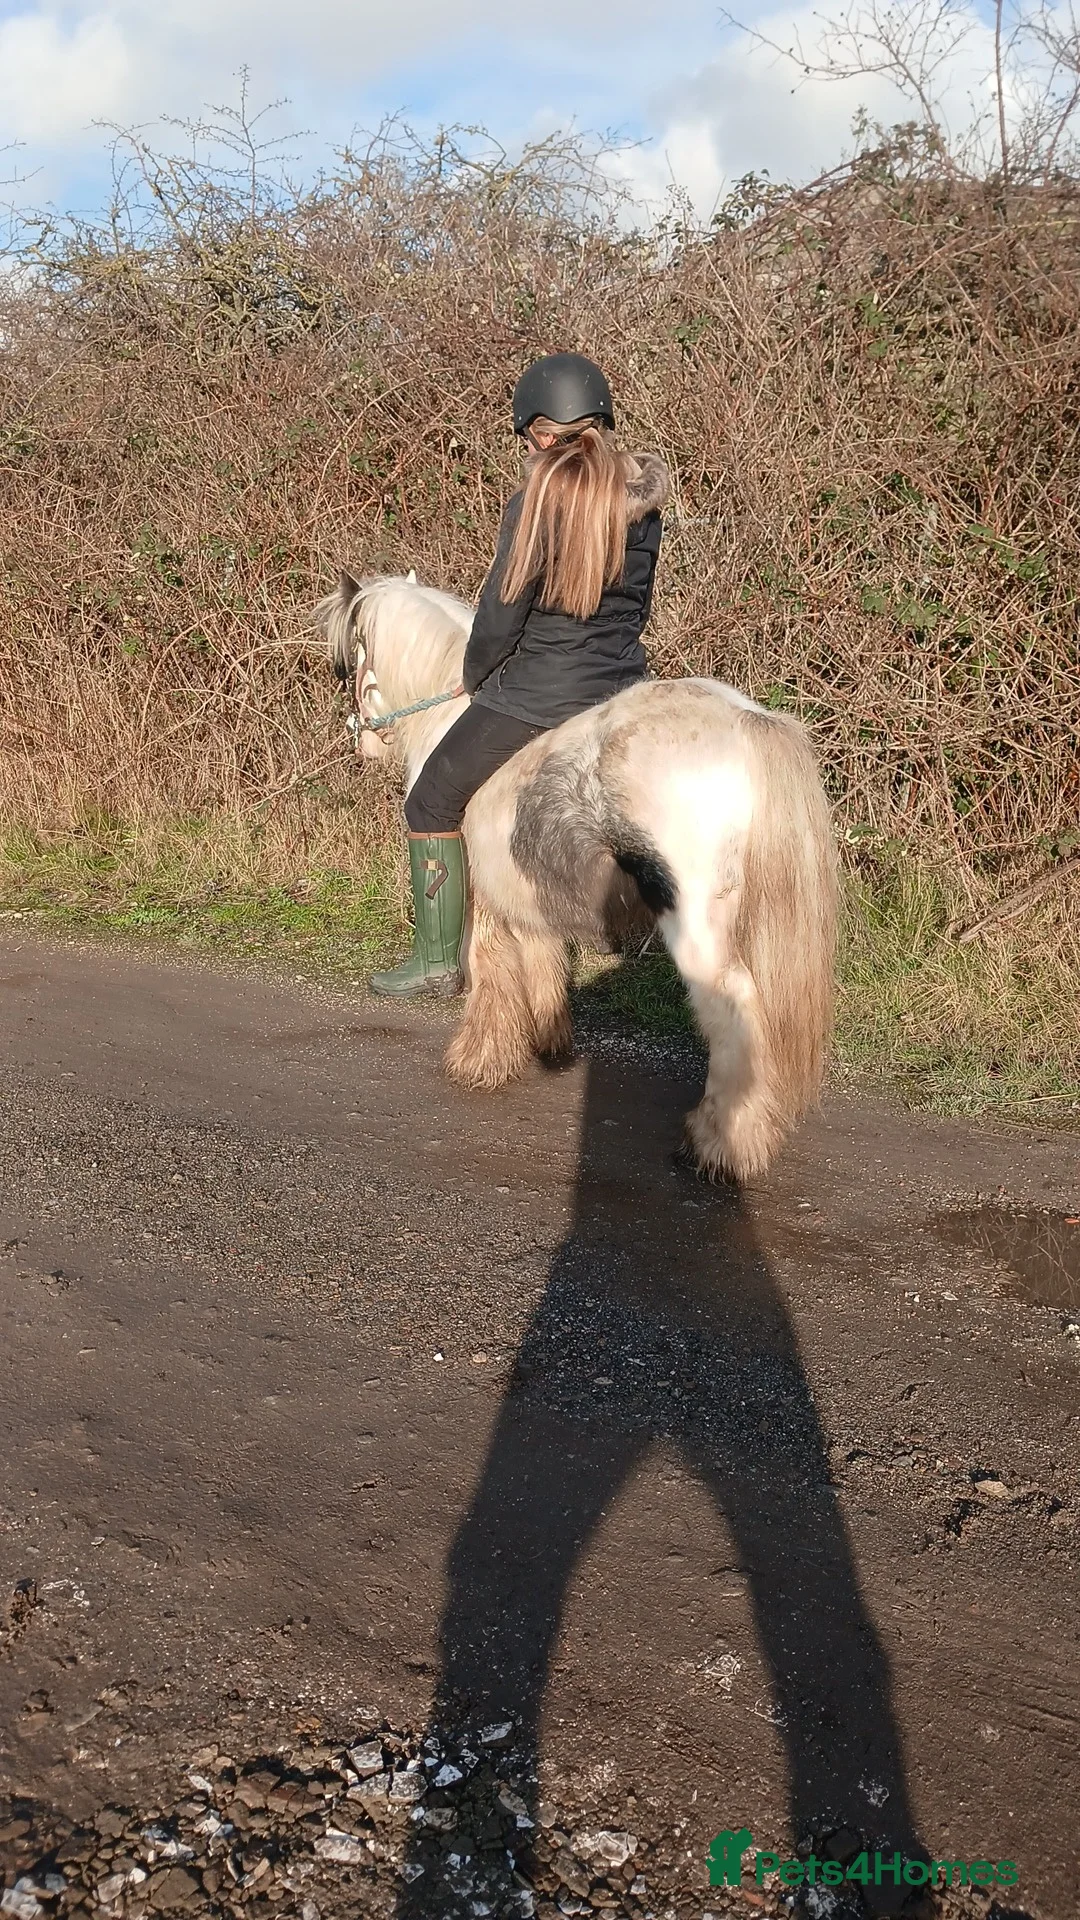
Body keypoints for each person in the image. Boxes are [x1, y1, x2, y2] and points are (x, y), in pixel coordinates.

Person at [370, 351, 669, 996]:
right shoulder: (643, 503)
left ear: (539, 426)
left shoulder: (535, 499)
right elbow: (635, 608)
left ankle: (434, 958)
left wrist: (476, 674)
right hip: (621, 686)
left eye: (527, 435)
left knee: (430, 800)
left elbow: (501, 613)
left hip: (537, 693)